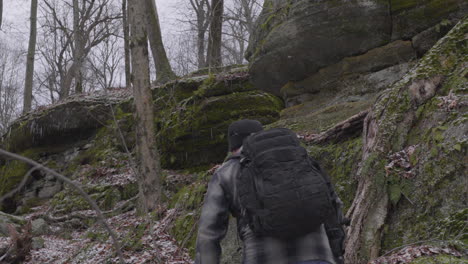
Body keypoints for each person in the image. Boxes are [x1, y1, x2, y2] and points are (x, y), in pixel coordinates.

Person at [195, 119, 345, 264]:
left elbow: (208, 235)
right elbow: (333, 207)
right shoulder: (301, 160)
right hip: (318, 255)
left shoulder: (226, 173)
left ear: (232, 147)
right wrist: (337, 256)